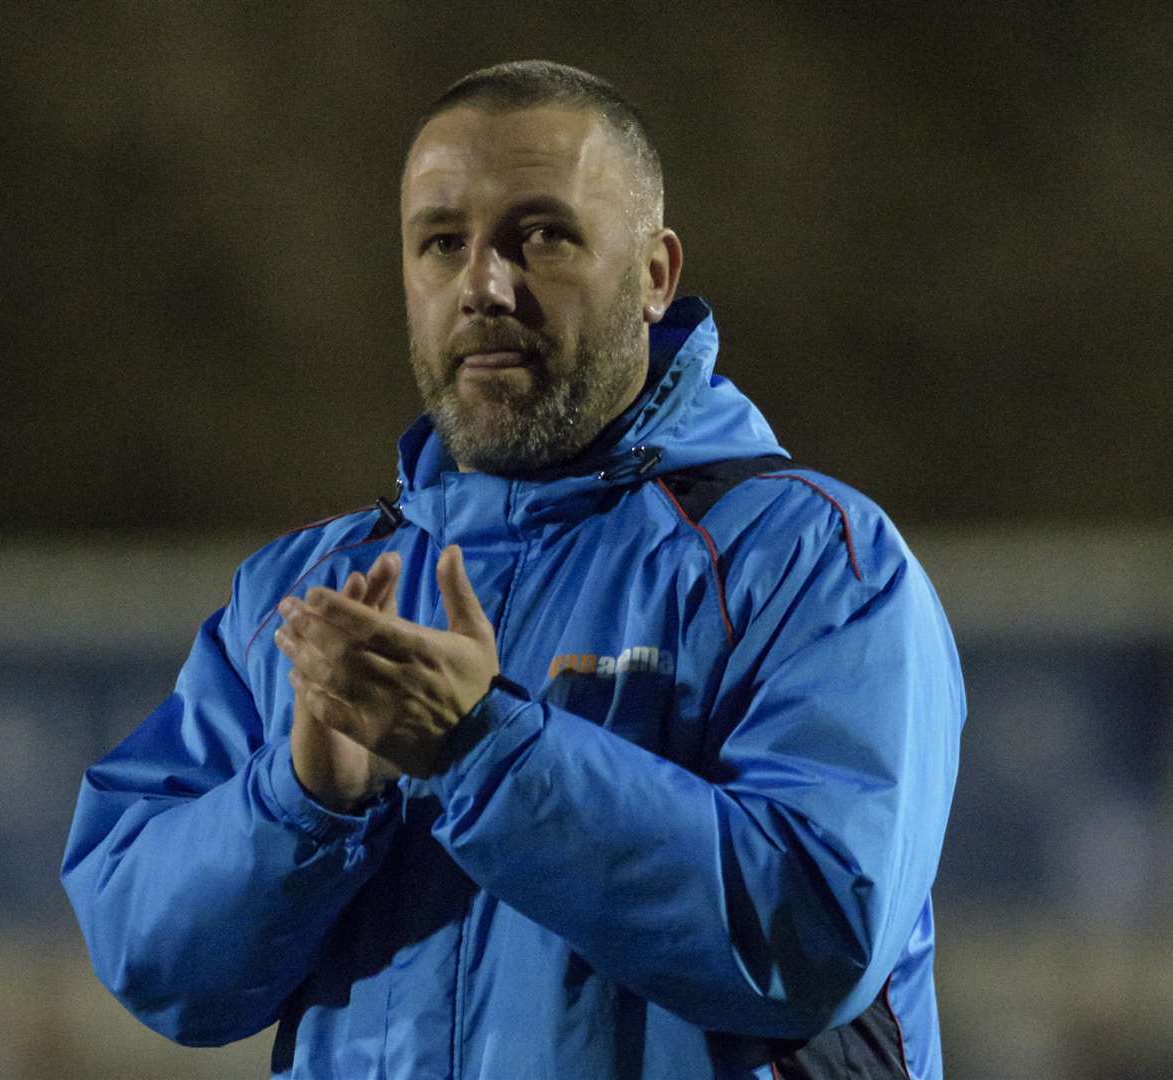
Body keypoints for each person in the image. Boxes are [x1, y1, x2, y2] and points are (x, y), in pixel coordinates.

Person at [62, 60, 964, 1080]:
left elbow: (814, 931)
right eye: (443, 243)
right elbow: (155, 958)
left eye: (541, 234)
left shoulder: (807, 562)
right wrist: (306, 795)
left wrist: (479, 750)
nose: (484, 286)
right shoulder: (302, 595)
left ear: (654, 273)